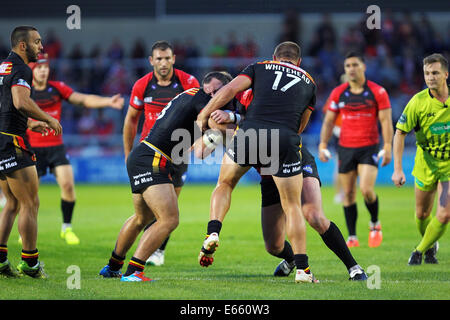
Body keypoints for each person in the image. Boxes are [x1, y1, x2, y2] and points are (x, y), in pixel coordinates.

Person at [207, 92, 368, 281]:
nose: (212, 95)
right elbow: (214, 124)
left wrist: (232, 118)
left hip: (294, 157)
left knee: (314, 215)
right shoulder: (233, 130)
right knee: (273, 245)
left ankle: (353, 267)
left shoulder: (253, 95)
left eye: (216, 91)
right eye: (210, 93)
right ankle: (293, 260)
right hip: (269, 176)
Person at [196, 41, 319, 283]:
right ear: (299, 62)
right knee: (292, 206)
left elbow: (229, 91)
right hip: (285, 138)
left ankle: (213, 231)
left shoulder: (259, 67)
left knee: (225, 184)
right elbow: (301, 125)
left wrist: (204, 114)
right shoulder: (310, 82)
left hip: (250, 133)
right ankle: (303, 270)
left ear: (274, 57)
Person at [99, 71, 231, 281]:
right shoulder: (203, 99)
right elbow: (218, 129)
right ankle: (134, 271)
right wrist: (237, 122)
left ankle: (113, 267)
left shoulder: (190, 94)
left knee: (141, 218)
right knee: (169, 220)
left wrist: (213, 136)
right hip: (154, 158)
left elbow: (200, 150)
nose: (216, 96)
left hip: (143, 154)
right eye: (217, 91)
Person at [25, 53, 124, 245]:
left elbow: (83, 99)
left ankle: (66, 229)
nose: (44, 71)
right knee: (30, 196)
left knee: (68, 186)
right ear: (33, 71)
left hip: (56, 147)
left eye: (46, 68)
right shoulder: (25, 93)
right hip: (33, 148)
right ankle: (26, 230)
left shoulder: (57, 89)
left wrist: (107, 101)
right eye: (39, 68)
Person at [123, 40, 199, 266]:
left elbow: (200, 112)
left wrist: (196, 138)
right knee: (148, 212)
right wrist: (128, 153)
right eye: (159, 59)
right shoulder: (142, 85)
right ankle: (138, 257)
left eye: (167, 58)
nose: (163, 63)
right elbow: (130, 120)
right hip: (150, 154)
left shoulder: (188, 82)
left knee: (170, 207)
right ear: (151, 61)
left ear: (173, 59)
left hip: (177, 153)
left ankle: (156, 251)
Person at [0, 26, 62, 278]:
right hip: (12, 144)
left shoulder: (3, 66)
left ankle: (1, 260)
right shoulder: (22, 68)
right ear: (22, 45)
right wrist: (48, 118)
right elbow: (20, 102)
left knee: (12, 203)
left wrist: (29, 123)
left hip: (2, 138)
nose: (41, 47)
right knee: (30, 203)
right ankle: (31, 263)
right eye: (37, 42)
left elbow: (5, 106)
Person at [318, 52, 393, 248]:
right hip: (345, 148)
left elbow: (385, 121)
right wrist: (323, 144)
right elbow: (328, 121)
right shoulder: (338, 93)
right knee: (348, 194)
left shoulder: (378, 92)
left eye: (355, 65)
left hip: (369, 147)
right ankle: (352, 236)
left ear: (364, 67)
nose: (351, 69)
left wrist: (388, 146)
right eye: (348, 65)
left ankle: (375, 223)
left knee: (367, 190)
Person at [392, 53, 449, 265]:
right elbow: (400, 133)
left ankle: (419, 251)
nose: (430, 77)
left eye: (435, 72)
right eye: (426, 73)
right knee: (422, 213)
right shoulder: (417, 102)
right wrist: (398, 169)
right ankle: (430, 244)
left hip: (448, 167)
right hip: (426, 163)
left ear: (445, 74)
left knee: (444, 214)